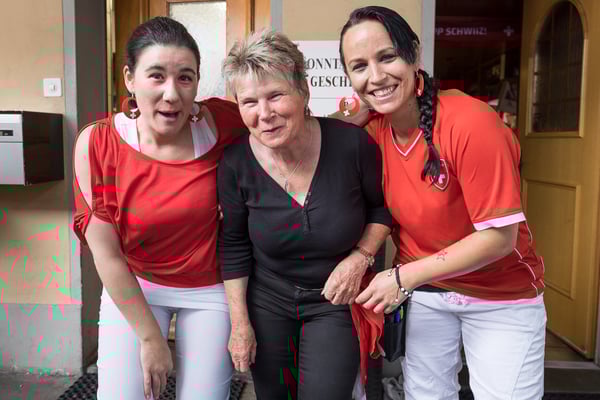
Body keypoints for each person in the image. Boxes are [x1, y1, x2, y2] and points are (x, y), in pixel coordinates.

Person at [338, 6, 546, 400]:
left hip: (499, 293)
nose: (376, 75)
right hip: (427, 292)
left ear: (414, 55)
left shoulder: (471, 122)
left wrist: (401, 278)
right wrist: (360, 105)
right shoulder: (373, 130)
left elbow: (500, 238)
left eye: (387, 57)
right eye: (359, 66)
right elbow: (320, 134)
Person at [72, 17, 247, 400]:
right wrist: (151, 338)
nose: (172, 94)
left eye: (185, 78)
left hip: (208, 288)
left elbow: (284, 129)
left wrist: (355, 117)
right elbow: (107, 254)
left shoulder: (223, 123)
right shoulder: (97, 144)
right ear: (130, 79)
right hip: (135, 284)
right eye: (156, 76)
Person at [218, 30, 393, 400]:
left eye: (275, 95)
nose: (264, 114)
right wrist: (240, 324)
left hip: (335, 300)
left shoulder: (352, 145)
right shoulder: (235, 163)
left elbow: (381, 209)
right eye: (249, 102)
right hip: (267, 301)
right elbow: (233, 245)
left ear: (303, 91)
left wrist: (360, 258)